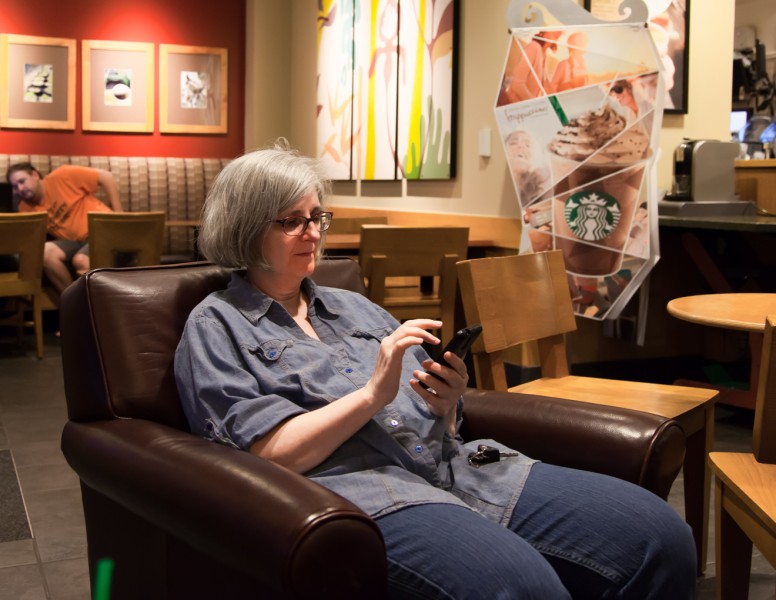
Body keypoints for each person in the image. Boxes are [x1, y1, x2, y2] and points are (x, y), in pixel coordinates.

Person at [174, 142, 697, 599]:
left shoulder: (353, 307)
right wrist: (371, 396)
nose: (312, 233)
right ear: (245, 228)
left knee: (661, 538)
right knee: (522, 588)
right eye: (291, 221)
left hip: (466, 467)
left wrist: (446, 401)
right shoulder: (218, 325)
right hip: (368, 497)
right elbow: (270, 454)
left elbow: (442, 420)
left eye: (317, 217)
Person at [6, 162, 122, 302]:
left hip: (103, 231)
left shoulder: (62, 176)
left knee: (81, 260)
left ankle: (101, 312)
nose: (20, 188)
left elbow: (106, 176)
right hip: (75, 242)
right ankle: (76, 305)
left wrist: (119, 216)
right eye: (15, 186)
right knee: (45, 253)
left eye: (22, 181)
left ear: (35, 174)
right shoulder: (24, 208)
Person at [498, 31, 562, 105]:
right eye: (555, 29)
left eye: (561, 30)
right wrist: (535, 104)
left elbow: (545, 83)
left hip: (526, 108)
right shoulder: (533, 47)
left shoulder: (544, 55)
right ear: (543, 31)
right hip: (513, 105)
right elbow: (517, 83)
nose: (559, 32)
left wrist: (558, 104)